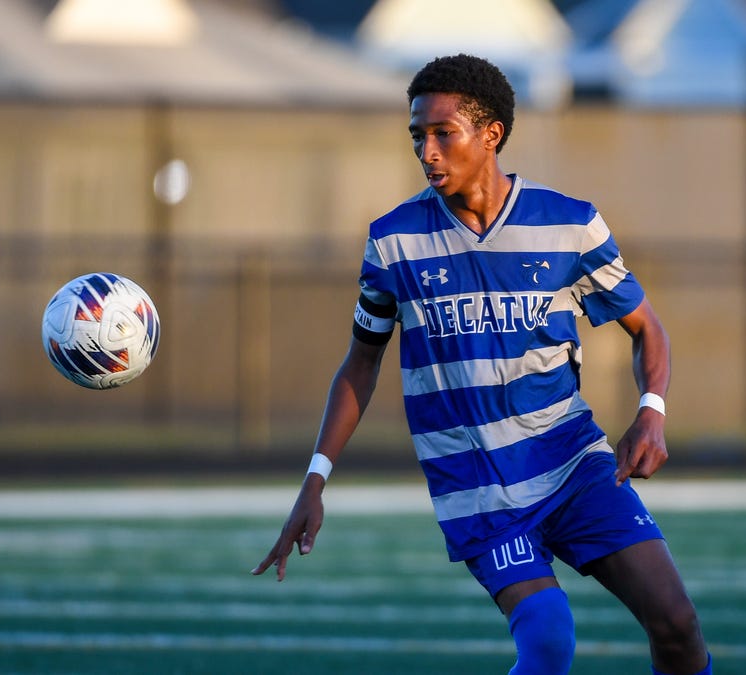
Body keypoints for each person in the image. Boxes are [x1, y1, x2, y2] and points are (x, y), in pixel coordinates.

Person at [252, 53, 712, 675]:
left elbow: (646, 327)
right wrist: (315, 479)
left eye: (444, 132)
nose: (428, 150)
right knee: (548, 639)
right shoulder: (394, 241)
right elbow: (360, 364)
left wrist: (651, 412)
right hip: (476, 485)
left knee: (678, 626)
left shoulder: (570, 225)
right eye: (418, 135)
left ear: (490, 133)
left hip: (573, 463)